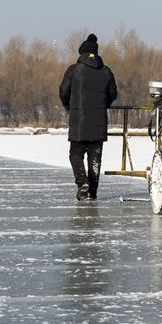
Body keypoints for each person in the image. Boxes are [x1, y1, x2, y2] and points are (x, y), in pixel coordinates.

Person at [59, 34, 119, 201]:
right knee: (95, 159)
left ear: (82, 53)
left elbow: (63, 91)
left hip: (79, 121)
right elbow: (113, 94)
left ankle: (82, 182)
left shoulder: (74, 70)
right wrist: (102, 105)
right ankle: (92, 191)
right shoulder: (106, 71)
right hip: (99, 121)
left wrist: (70, 107)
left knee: (76, 154)